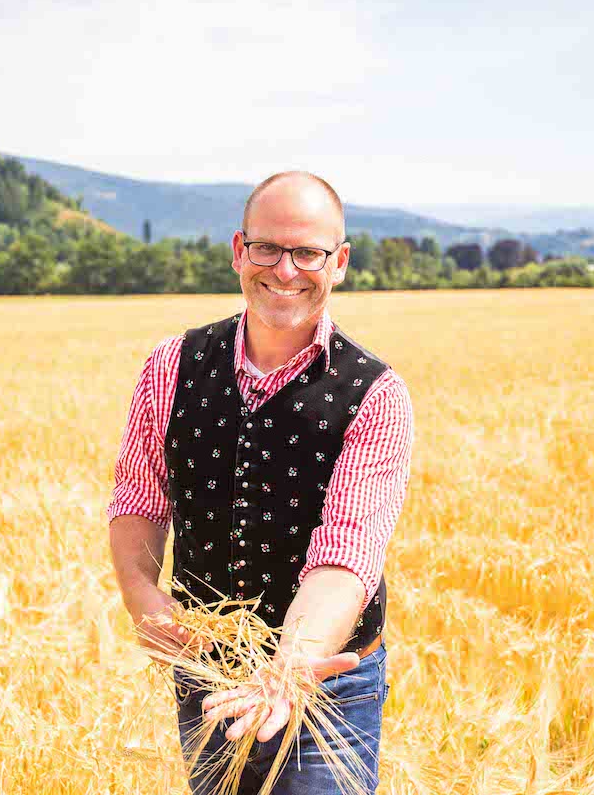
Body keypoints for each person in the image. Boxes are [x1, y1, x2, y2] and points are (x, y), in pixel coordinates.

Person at [107, 170, 414, 793]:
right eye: (268, 248)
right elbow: (139, 497)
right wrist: (145, 603)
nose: (286, 269)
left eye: (308, 253)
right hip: (207, 669)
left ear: (341, 263)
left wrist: (288, 670)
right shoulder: (173, 365)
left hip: (328, 683)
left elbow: (346, 555)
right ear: (238, 250)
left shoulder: (374, 394)